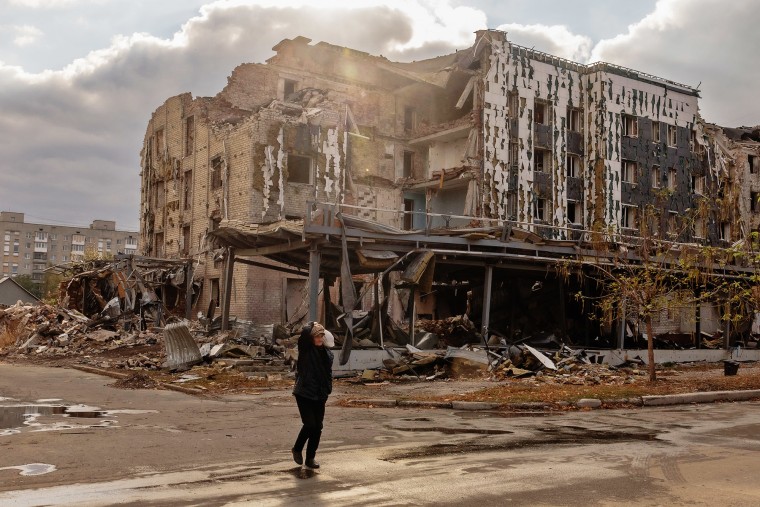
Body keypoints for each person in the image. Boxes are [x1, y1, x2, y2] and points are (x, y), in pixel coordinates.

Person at [291, 322, 333, 469]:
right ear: (311, 337)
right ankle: (297, 448)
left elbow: (328, 373)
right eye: (317, 336)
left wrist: (327, 390)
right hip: (304, 392)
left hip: (320, 394)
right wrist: (311, 325)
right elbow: (303, 336)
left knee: (318, 427)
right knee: (310, 424)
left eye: (321, 336)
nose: (319, 339)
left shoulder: (327, 353)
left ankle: (310, 458)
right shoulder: (306, 351)